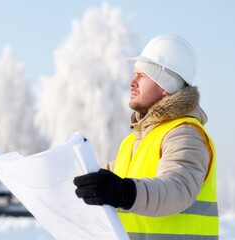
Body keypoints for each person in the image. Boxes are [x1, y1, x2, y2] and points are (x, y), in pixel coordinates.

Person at [73, 34, 218, 239]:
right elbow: (104, 184)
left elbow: (178, 189)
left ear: (165, 87)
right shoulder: (131, 143)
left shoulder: (185, 134)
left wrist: (123, 193)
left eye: (142, 75)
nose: (132, 82)